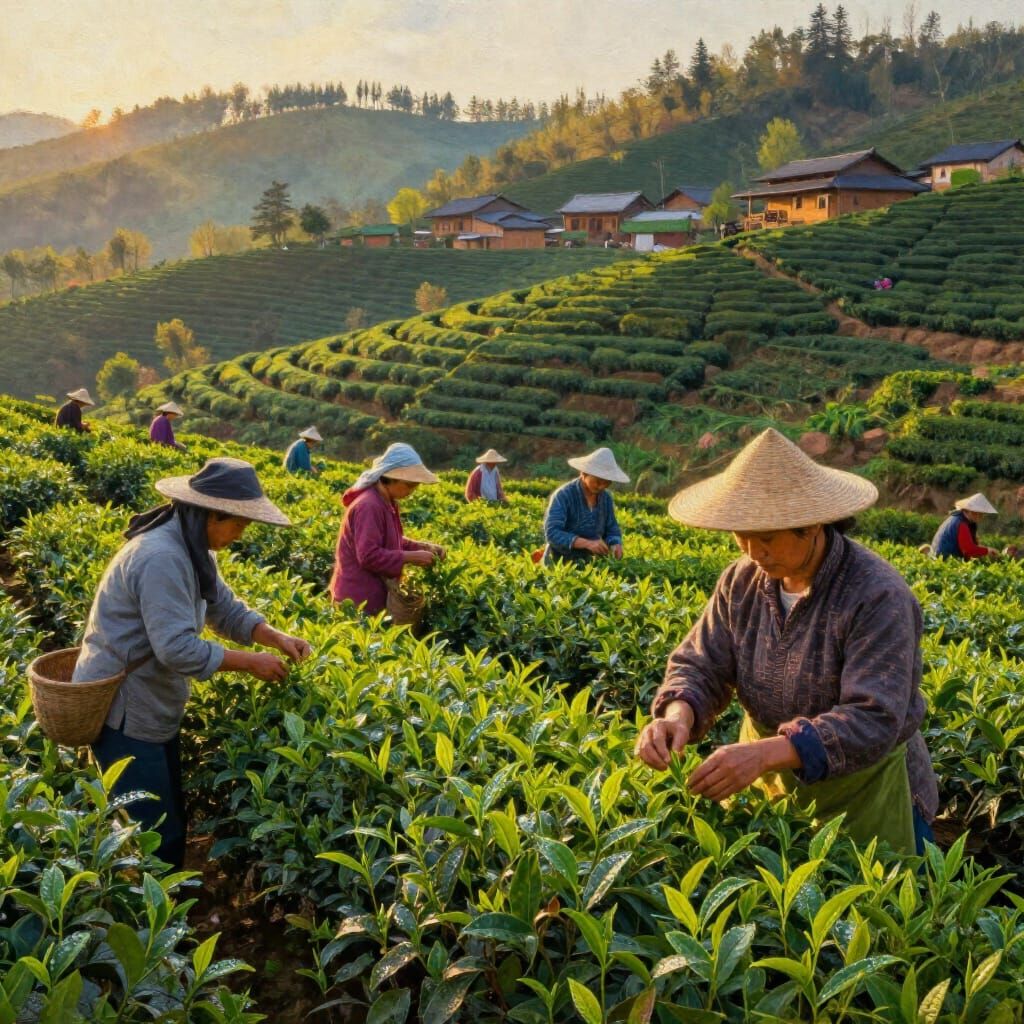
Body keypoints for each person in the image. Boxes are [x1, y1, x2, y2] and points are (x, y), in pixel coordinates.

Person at [634, 428, 938, 856]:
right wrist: (677, 716)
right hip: (768, 783)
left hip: (866, 792)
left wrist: (765, 754)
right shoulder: (741, 580)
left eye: (766, 537)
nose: (752, 551)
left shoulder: (876, 594)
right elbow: (700, 663)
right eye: (741, 534)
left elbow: (873, 717)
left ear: (810, 526)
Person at [74, 458, 310, 869]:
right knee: (150, 832)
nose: (241, 533)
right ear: (211, 514)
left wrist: (274, 636)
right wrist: (251, 662)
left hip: (153, 702)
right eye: (238, 523)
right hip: (124, 710)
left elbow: (224, 608)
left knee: (165, 816)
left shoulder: (192, 546)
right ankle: (147, 906)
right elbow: (177, 649)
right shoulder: (161, 557)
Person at [330, 443, 446, 614]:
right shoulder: (369, 505)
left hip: (373, 594)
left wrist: (424, 547)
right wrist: (410, 557)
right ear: (389, 478)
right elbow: (368, 556)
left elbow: (390, 539)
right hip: (358, 600)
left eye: (416, 485)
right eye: (409, 484)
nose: (413, 490)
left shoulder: (386, 501)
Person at [543, 447, 628, 564]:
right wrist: (587, 543)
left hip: (590, 563)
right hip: (559, 563)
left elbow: (612, 529)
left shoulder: (606, 498)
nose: (602, 486)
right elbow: (552, 532)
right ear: (584, 473)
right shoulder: (563, 495)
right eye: (598, 481)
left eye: (607, 483)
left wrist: (615, 544)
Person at [929, 493, 999, 559]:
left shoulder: (957, 518)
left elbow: (971, 545)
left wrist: (984, 550)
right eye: (978, 513)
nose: (980, 516)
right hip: (943, 559)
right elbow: (968, 550)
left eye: (982, 514)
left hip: (938, 557)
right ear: (969, 511)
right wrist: (987, 551)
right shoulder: (961, 523)